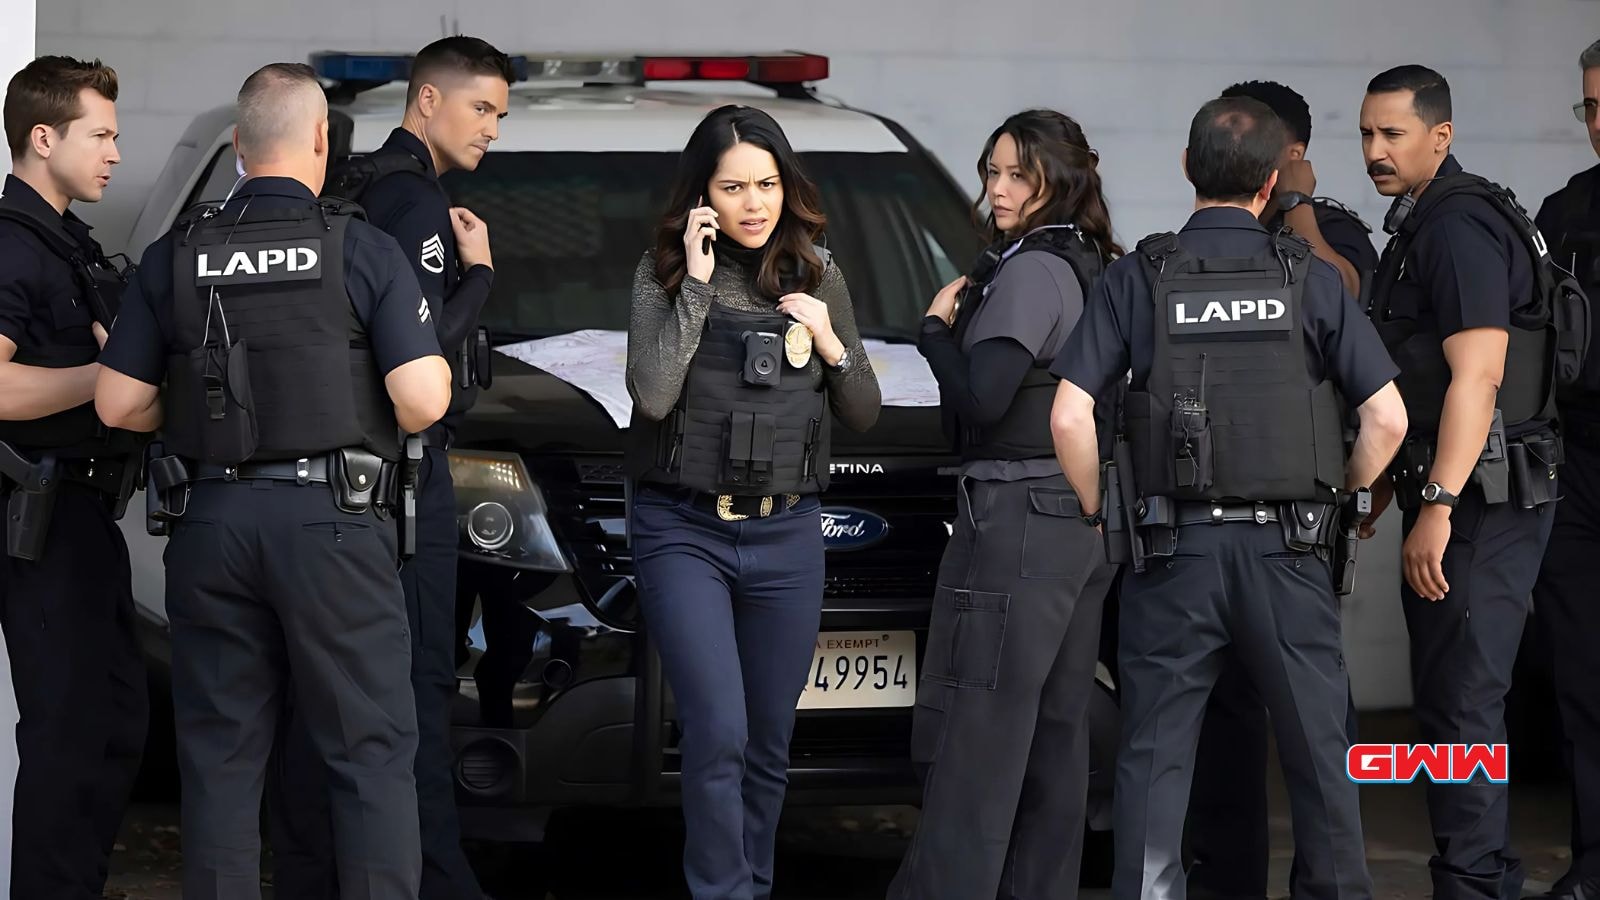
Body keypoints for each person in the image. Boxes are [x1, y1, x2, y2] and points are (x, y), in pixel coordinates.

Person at [94, 62, 452, 900]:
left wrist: (192, 414)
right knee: (367, 755)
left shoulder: (176, 256)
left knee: (220, 760)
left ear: (236, 146)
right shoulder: (360, 247)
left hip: (211, 524)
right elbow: (422, 399)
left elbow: (116, 403)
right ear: (322, 140)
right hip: (333, 526)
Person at [1050, 95, 1407, 900]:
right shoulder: (1308, 278)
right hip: (1289, 554)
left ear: (1187, 168)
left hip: (1172, 554)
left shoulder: (1139, 276)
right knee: (1319, 750)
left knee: (1154, 753)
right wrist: (1343, 494)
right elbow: (1388, 416)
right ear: (1274, 179)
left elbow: (1070, 412)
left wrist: (1095, 507)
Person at [268, 35, 513, 900]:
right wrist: (479, 277)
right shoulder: (412, 203)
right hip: (403, 478)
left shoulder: (361, 188)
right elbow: (415, 356)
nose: (492, 128)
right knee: (414, 687)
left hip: (341, 482)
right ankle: (437, 879)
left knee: (333, 695)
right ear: (427, 101)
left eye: (499, 114)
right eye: (481, 108)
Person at [624, 104, 880, 900]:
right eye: (733, 187)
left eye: (766, 183)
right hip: (684, 530)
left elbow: (864, 410)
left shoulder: (819, 273)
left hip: (787, 532)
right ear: (702, 195)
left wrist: (831, 341)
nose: (754, 203)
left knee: (769, 739)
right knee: (719, 734)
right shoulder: (661, 273)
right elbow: (654, 395)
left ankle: (752, 886)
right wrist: (696, 292)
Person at [887, 109, 1118, 900]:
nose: (999, 188)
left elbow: (983, 399)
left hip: (1018, 517)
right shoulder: (1096, 261)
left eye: (1020, 174)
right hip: (1080, 519)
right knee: (1056, 736)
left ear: (1063, 177)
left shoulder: (1027, 271)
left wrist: (933, 332)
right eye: (992, 171)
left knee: (977, 734)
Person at [1362, 64, 1563, 900]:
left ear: (1439, 137)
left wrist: (1437, 506)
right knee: (1452, 702)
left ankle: (1478, 884)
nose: (1374, 150)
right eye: (1367, 133)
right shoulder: (1425, 223)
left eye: (1393, 134)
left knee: (1465, 704)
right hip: (1466, 494)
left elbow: (1478, 378)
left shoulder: (1456, 229)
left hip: (1482, 500)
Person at [1187, 77, 1380, 900]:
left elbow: (1347, 294)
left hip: (1296, 525)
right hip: (1207, 521)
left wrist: (1295, 208)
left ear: (1289, 156)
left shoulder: (1328, 234)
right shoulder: (1185, 252)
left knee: (1312, 729)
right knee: (1223, 726)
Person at [0, 55, 148, 900]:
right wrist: (105, 379)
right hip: (36, 511)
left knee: (111, 722)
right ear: (42, 136)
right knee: (72, 731)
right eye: (100, 135)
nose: (115, 153)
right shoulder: (10, 245)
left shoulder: (68, 244)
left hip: (81, 510)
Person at [1526, 38, 1600, 900]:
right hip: (1580, 466)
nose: (1599, 122)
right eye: (1589, 105)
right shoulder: (1565, 210)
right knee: (1585, 678)